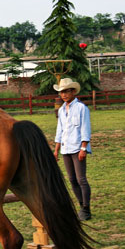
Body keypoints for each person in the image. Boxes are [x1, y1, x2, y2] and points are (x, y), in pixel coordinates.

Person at [53, 78, 93, 221]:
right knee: (72, 179)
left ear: (73, 92)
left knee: (81, 178)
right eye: (61, 92)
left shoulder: (82, 108)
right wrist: (56, 150)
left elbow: (85, 129)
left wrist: (83, 148)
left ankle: (86, 208)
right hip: (66, 148)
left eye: (66, 92)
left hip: (77, 147)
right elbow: (60, 131)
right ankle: (81, 205)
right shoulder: (62, 110)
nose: (63, 95)